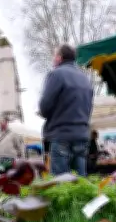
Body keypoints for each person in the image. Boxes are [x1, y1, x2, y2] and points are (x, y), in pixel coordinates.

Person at [38, 44, 94, 176]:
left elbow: (45, 107)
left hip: (62, 134)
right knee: (81, 184)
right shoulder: (84, 78)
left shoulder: (56, 75)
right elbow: (89, 108)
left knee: (61, 185)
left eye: (54, 56)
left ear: (59, 58)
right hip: (81, 135)